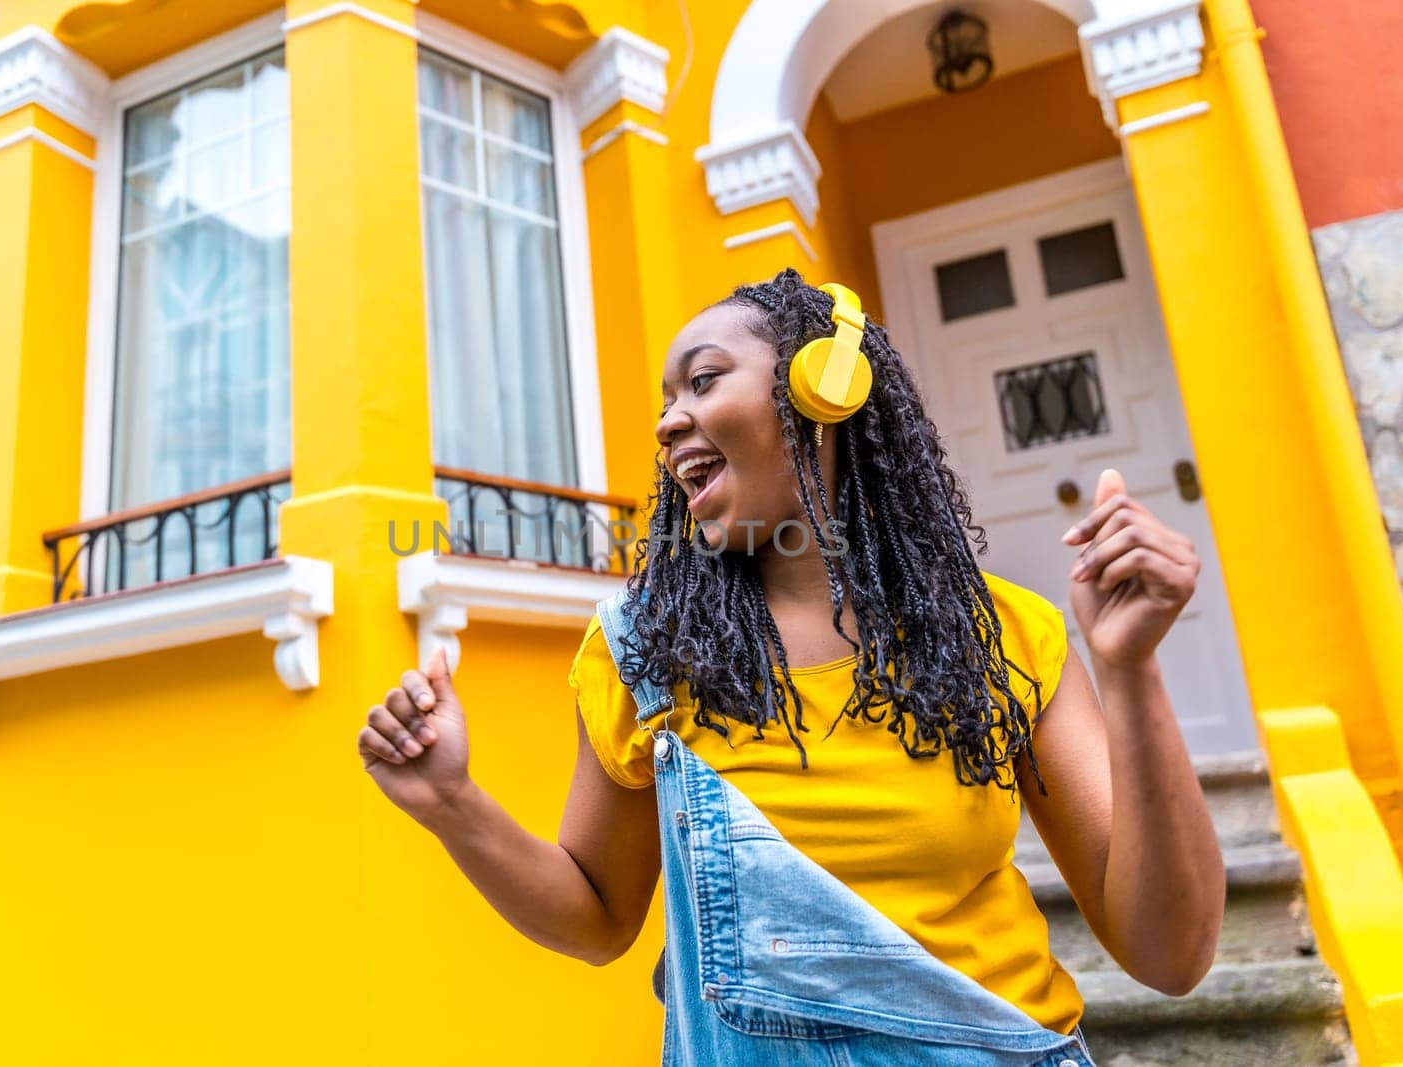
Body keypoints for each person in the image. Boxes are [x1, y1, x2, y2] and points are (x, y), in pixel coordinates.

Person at [357, 268, 1225, 1065]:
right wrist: (450, 801)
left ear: (824, 390)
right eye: (667, 399)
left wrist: (1131, 669)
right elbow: (595, 919)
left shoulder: (999, 634)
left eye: (702, 380)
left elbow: (1169, 953)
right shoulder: (645, 652)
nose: (667, 422)